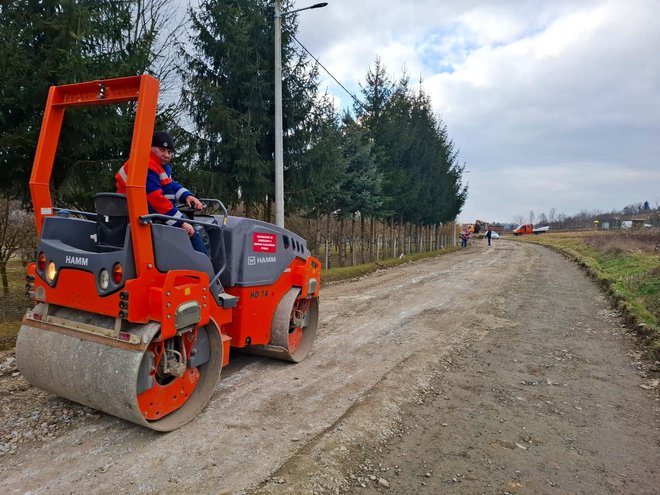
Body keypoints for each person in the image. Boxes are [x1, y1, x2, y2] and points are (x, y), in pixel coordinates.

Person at [115, 131, 207, 254]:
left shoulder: (157, 167)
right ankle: (207, 270)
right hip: (142, 219)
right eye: (162, 150)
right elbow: (155, 200)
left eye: (169, 152)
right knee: (193, 233)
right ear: (150, 148)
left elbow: (171, 186)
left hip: (142, 216)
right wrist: (181, 223)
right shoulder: (147, 166)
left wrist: (188, 196)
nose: (166, 155)